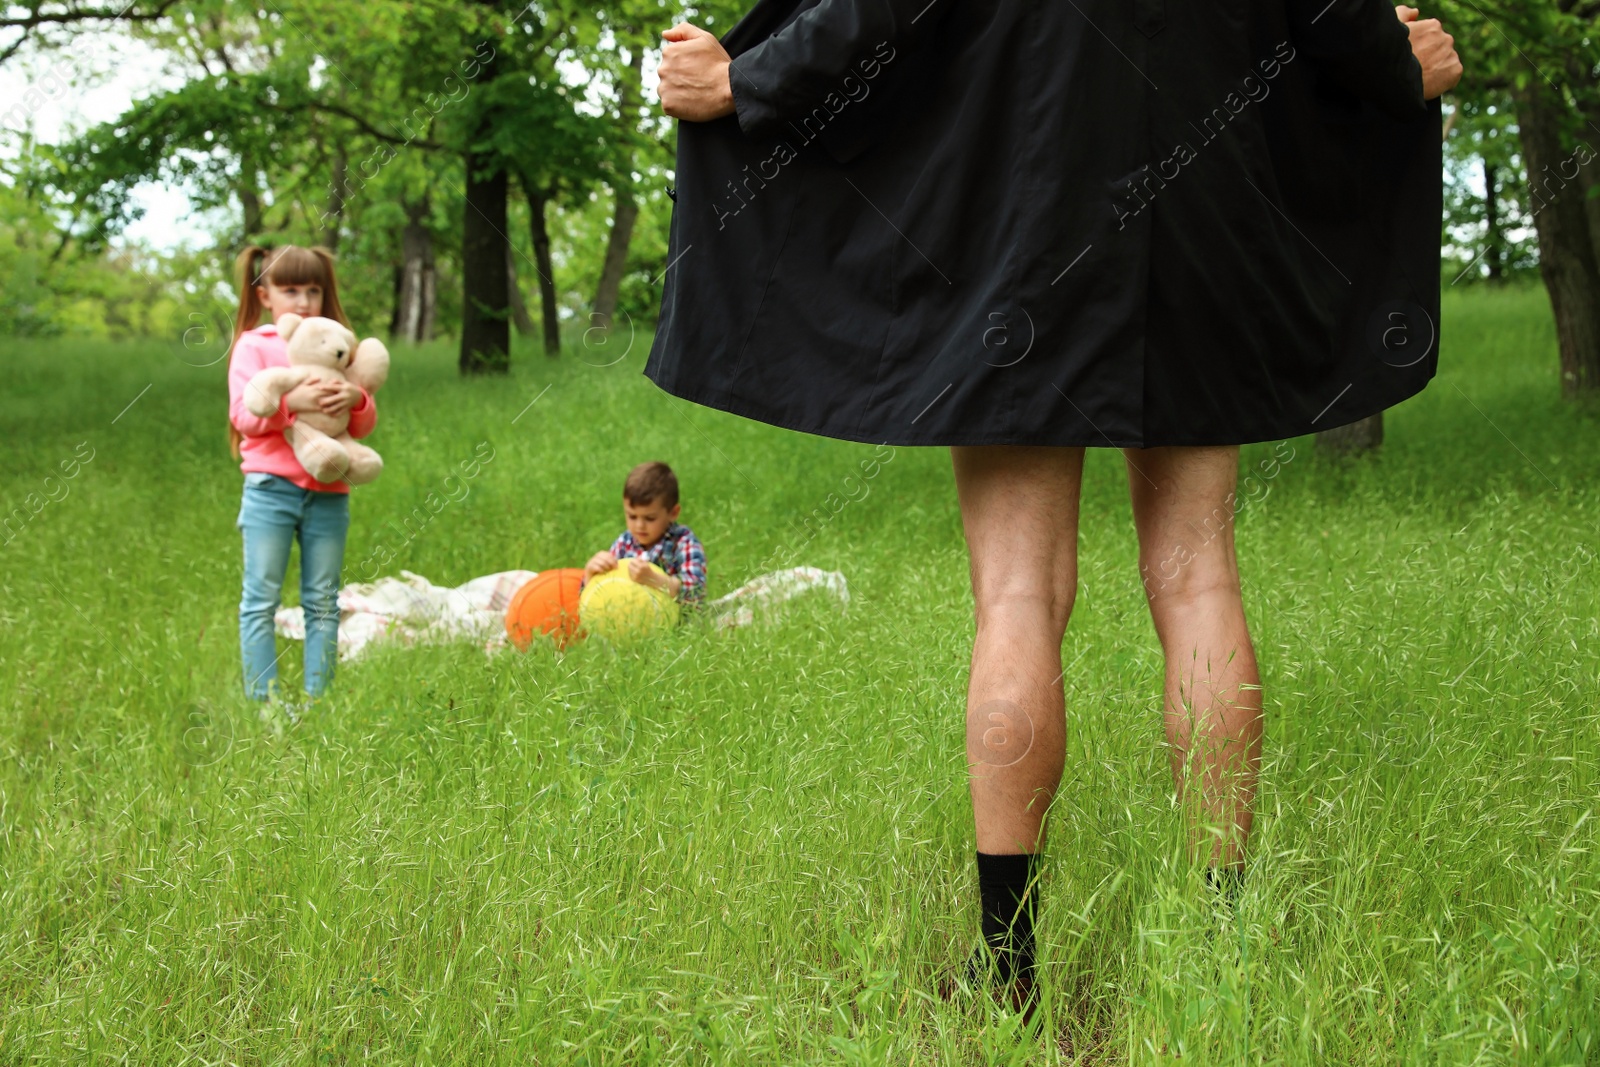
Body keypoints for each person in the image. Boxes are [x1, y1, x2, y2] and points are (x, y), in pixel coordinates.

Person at [651, 0, 1463, 1018]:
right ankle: (1222, 948)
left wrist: (747, 81)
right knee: (1199, 574)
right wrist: (1396, 64)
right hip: (1206, 213)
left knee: (1017, 595)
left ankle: (1009, 965)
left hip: (1025, 216)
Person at [227, 245, 378, 706]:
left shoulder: (338, 345)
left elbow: (361, 425)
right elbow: (243, 415)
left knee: (322, 601)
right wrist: (293, 405)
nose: (303, 300)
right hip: (270, 489)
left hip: (330, 491)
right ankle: (264, 702)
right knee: (261, 599)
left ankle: (320, 701)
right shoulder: (256, 346)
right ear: (264, 294)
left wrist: (354, 399)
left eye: (313, 290)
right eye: (289, 289)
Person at [584, 461, 708, 608]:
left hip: (675, 625)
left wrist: (655, 580)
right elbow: (596, 601)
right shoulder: (624, 544)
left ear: (673, 513)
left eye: (650, 518)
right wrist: (590, 577)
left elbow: (696, 594)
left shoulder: (683, 543)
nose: (639, 526)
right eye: (632, 516)